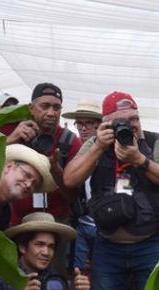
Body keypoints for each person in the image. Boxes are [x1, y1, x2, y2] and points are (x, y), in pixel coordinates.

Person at [63, 91, 159, 290]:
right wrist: (98, 146)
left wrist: (140, 160)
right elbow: (70, 179)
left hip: (150, 243)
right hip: (107, 245)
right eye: (122, 121)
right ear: (106, 123)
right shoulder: (96, 143)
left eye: (134, 119)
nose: (131, 125)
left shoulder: (155, 141)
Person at [3, 83, 83, 273]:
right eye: (45, 106)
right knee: (11, 278)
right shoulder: (11, 130)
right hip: (17, 221)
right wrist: (11, 139)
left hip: (56, 224)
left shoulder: (71, 142)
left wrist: (56, 171)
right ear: (31, 108)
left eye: (56, 108)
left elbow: (73, 196)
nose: (51, 113)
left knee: (53, 282)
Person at [0, 144, 55, 231]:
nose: (29, 184)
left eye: (35, 184)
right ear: (8, 167)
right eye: (27, 175)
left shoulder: (5, 214)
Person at [62, 99, 103, 272]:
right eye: (80, 124)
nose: (83, 128)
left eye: (89, 123)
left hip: (104, 227)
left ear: (99, 125)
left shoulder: (112, 150)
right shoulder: (74, 150)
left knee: (101, 273)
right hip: (81, 223)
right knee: (77, 272)